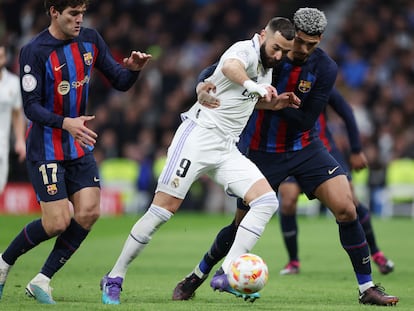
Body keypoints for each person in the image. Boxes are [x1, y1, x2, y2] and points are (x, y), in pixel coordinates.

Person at [172, 8, 399, 306]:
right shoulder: (268, 53)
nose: (303, 50)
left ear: (320, 41)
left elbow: (307, 121)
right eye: (300, 42)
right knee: (239, 224)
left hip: (306, 148)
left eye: (311, 45)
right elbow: (214, 71)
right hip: (261, 153)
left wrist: (271, 102)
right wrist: (203, 86)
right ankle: (197, 275)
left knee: (347, 207)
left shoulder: (325, 68)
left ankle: (367, 287)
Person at [100, 17, 299, 305]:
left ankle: (229, 272)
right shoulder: (243, 50)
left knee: (267, 201)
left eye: (284, 52)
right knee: (162, 212)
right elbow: (231, 69)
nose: (278, 55)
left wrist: (272, 102)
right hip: (197, 138)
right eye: (276, 48)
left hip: (226, 148)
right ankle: (115, 276)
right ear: (263, 35)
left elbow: (245, 98)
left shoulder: (267, 67)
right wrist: (254, 87)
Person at [0, 0, 151, 304]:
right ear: (54, 12)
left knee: (89, 212)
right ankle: (3, 264)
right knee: (56, 222)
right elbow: (31, 107)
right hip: (46, 147)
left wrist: (133, 71)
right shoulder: (34, 50)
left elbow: (120, 81)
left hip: (77, 143)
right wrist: (65, 122)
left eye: (82, 13)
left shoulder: (90, 40)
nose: (80, 19)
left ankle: (42, 279)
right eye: (73, 14)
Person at [279, 87, 395, 276]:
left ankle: (376, 254)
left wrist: (356, 149)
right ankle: (293, 261)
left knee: (350, 203)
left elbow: (345, 111)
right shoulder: (278, 78)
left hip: (323, 150)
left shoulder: (316, 76)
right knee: (288, 199)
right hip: (290, 150)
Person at [0, 44, 27, 194]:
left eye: (1, 57)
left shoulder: (13, 83)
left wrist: (20, 140)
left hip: (2, 145)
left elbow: (17, 113)